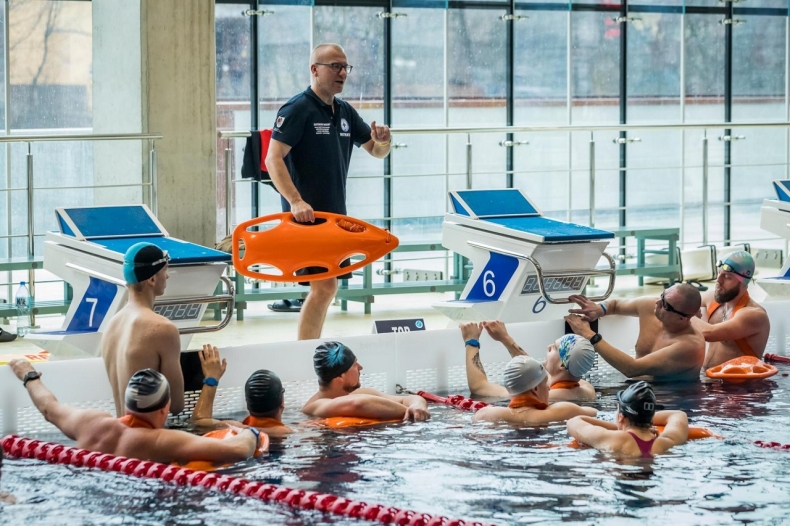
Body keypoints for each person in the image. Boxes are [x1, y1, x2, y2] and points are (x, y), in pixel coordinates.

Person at [265, 43, 392, 340]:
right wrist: (295, 201)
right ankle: (306, 350)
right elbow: (273, 158)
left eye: (346, 67)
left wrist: (384, 141)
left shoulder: (345, 110)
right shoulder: (298, 109)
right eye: (335, 66)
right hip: (308, 218)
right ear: (314, 69)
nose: (343, 72)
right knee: (324, 286)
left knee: (327, 287)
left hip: (335, 216)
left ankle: (309, 349)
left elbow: (375, 150)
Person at [7, 360, 258, 465]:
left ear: (127, 404)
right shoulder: (162, 441)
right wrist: (249, 432)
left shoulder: (90, 422)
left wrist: (28, 374)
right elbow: (239, 450)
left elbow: (49, 409)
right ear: (165, 408)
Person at [101, 242, 184, 416]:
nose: (167, 276)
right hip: (146, 439)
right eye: (165, 270)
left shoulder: (112, 325)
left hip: (120, 435)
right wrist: (210, 380)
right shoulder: (163, 329)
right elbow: (176, 406)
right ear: (152, 279)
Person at [565, 283, 705, 381]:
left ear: (682, 318)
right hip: (636, 390)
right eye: (661, 296)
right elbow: (616, 305)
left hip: (672, 401)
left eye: (665, 305)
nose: (657, 303)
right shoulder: (650, 306)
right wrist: (600, 309)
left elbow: (631, 369)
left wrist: (589, 335)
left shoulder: (689, 345)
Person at [460, 321, 597, 402]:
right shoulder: (586, 389)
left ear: (562, 365)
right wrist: (506, 339)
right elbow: (536, 372)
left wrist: (471, 341)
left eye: (555, 348)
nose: (549, 346)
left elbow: (480, 387)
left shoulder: (547, 396)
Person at [302, 341, 430, 422]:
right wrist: (409, 413)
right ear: (340, 377)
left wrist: (417, 406)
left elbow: (408, 399)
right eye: (354, 364)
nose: (360, 367)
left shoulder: (362, 392)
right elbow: (358, 404)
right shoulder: (315, 407)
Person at [566, 381, 689, 458]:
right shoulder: (666, 443)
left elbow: (573, 422)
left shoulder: (615, 439)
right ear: (651, 417)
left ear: (621, 417)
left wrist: (615, 426)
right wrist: (643, 420)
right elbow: (678, 415)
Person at [191, 345, 292, 437]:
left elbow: (199, 421)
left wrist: (212, 379)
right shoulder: (289, 433)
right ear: (282, 403)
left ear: (248, 406)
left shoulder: (234, 427)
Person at [693, 251, 770, 369]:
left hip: (738, 385)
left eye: (727, 277)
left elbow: (709, 333)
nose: (718, 281)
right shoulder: (711, 300)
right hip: (708, 380)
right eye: (719, 273)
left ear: (743, 281)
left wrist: (684, 314)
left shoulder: (754, 315)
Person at [472, 354, 597, 425]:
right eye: (544, 383)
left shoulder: (486, 414)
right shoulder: (561, 411)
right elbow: (594, 412)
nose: (548, 388)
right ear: (536, 388)